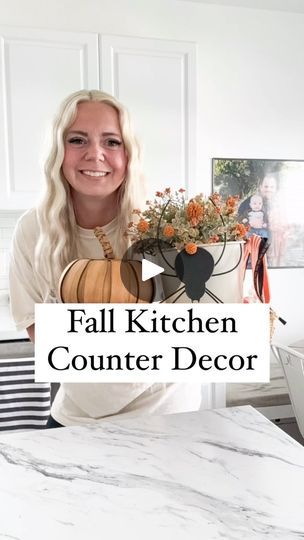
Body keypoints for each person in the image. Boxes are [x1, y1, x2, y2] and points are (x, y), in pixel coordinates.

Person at [9, 89, 202, 428]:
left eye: (112, 142)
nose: (95, 154)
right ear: (58, 151)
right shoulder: (32, 230)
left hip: (170, 417)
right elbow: (41, 331)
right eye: (77, 140)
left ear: (129, 154)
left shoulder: (164, 226)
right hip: (77, 418)